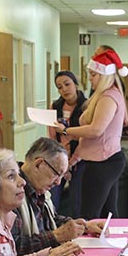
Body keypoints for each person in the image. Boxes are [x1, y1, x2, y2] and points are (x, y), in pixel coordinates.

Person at [53, 49, 128, 219]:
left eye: (93, 75)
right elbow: (87, 139)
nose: (89, 78)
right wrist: (74, 159)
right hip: (99, 160)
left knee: (90, 214)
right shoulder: (102, 96)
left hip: (104, 162)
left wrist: (66, 131)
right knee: (107, 213)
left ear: (104, 76)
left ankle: (92, 244)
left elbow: (95, 130)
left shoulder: (108, 97)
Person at [13, 137, 104, 255]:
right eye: (57, 174)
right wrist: (56, 236)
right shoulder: (11, 192)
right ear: (38, 164)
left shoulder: (38, 188)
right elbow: (13, 247)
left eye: (63, 176)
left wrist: (82, 226)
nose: (58, 183)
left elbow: (51, 220)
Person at [47, 71, 87, 217]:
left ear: (76, 84)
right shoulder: (55, 106)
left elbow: (85, 138)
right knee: (52, 199)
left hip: (79, 158)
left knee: (77, 202)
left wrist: (71, 163)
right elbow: (52, 135)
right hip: (58, 159)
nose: (64, 89)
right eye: (59, 87)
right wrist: (60, 161)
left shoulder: (86, 106)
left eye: (67, 84)